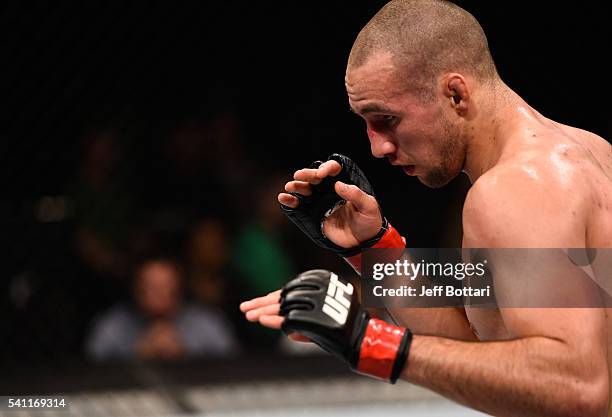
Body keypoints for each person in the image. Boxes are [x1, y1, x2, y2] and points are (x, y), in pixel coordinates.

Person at [240, 0, 612, 416]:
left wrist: (367, 342)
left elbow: (578, 385)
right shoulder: (591, 150)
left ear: (455, 92)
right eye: (365, 121)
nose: (376, 147)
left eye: (387, 119)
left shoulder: (516, 188)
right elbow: (485, 340)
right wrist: (377, 250)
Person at [86, 257, 240, 361]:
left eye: (166, 288)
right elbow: (89, 368)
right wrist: (137, 357)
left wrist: (185, 355)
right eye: (151, 288)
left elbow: (233, 364)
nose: (159, 295)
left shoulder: (206, 323)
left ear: (178, 288)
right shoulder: (114, 325)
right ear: (137, 290)